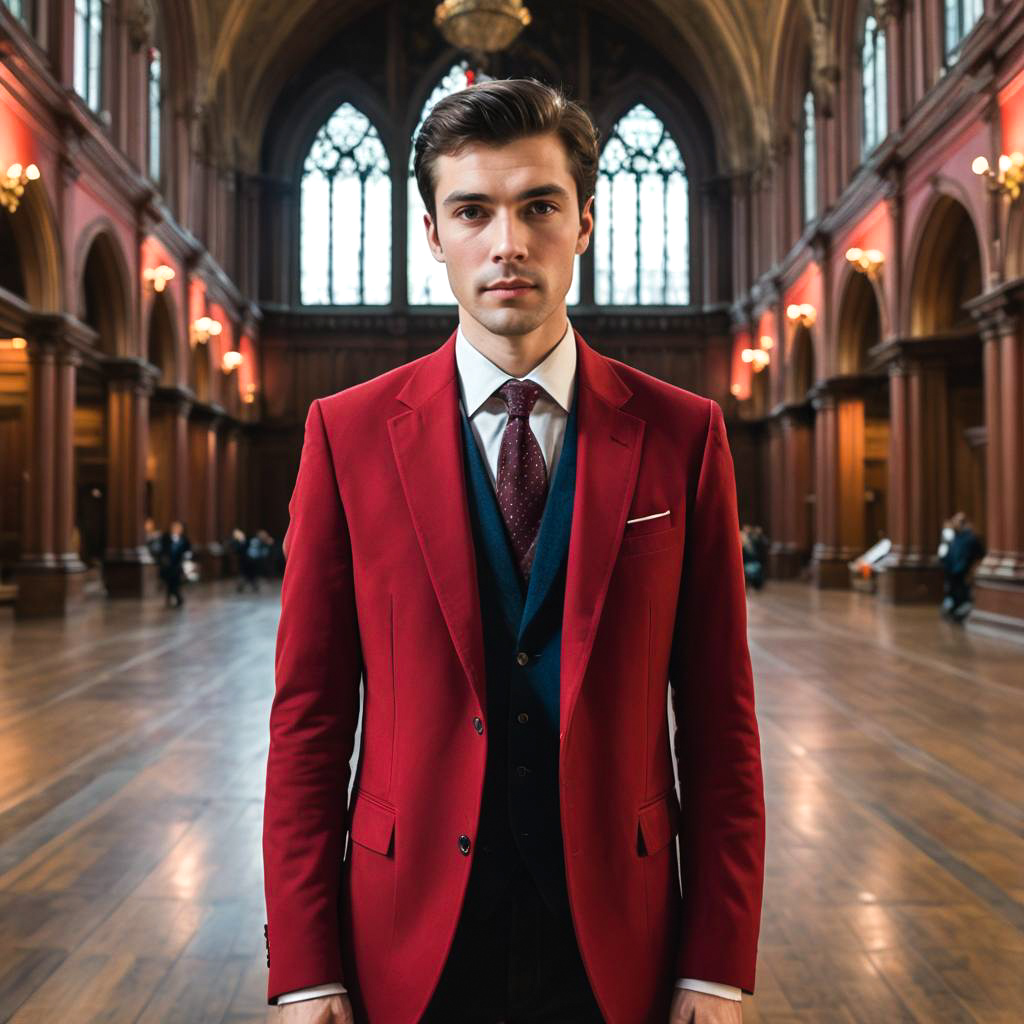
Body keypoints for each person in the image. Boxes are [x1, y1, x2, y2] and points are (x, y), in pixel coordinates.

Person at [263, 78, 765, 1024]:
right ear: (431, 233)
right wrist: (304, 966)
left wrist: (718, 961)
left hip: (622, 930)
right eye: (473, 211)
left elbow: (721, 724)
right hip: (405, 928)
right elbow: (308, 723)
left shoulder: (684, 434)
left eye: (539, 206)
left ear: (583, 222)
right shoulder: (348, 433)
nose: (508, 243)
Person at [939, 511, 986, 623]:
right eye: (954, 521)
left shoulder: (971, 539)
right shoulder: (953, 537)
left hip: (964, 574)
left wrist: (971, 573)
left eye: (959, 521)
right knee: (953, 597)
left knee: (963, 597)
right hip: (952, 574)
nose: (955, 523)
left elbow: (979, 557)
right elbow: (945, 555)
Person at [158, 520, 191, 608]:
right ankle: (172, 597)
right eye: (175, 527)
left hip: (178, 565)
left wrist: (187, 556)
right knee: (169, 582)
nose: (177, 529)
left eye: (179, 528)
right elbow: (161, 550)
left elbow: (188, 550)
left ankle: (178, 598)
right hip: (167, 564)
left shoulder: (184, 539)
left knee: (176, 582)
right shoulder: (165, 537)